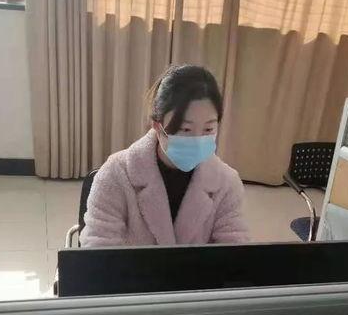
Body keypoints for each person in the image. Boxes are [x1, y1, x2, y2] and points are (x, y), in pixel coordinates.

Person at [80, 64, 250, 247]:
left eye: (208, 129)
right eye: (185, 129)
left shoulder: (227, 183)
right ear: (157, 126)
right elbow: (98, 250)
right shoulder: (115, 174)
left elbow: (235, 250)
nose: (197, 140)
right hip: (129, 268)